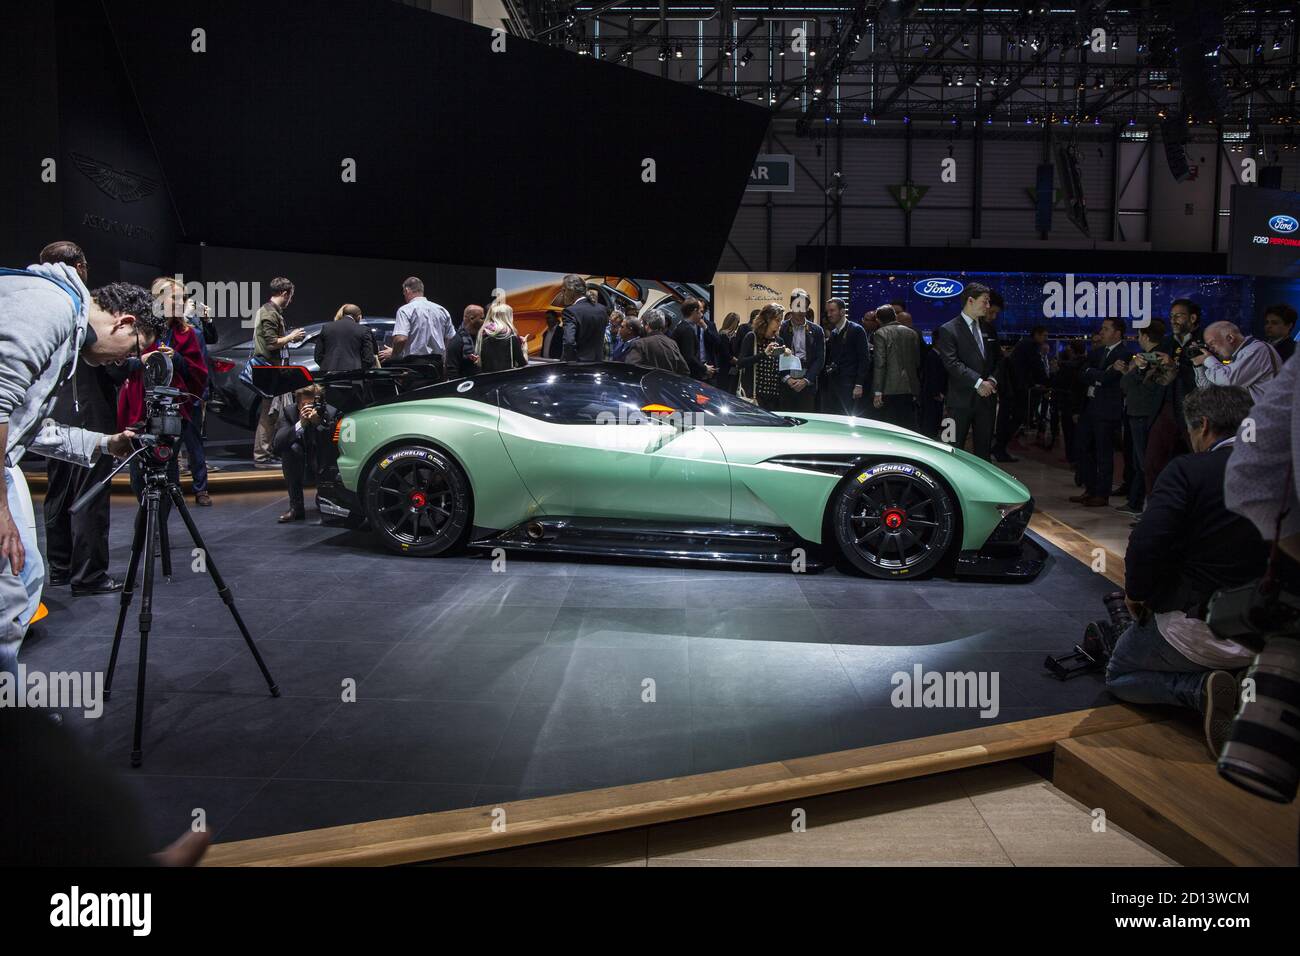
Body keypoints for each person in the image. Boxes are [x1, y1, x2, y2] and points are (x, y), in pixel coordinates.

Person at [1, 271, 159, 666]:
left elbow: (27, 427)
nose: (123, 360)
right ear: (124, 322)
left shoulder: (66, 326)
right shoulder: (50, 307)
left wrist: (104, 443)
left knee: (27, 578)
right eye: (132, 348)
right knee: (8, 592)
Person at [1106, 385, 1267, 759]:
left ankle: (1199, 690)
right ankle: (1245, 681)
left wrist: (1137, 593)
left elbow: (1147, 542)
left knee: (1118, 676)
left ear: (1204, 425)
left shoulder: (1188, 471)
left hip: (1196, 629)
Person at [37, 243, 119, 596]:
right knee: (90, 493)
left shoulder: (39, 303)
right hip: (88, 410)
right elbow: (104, 360)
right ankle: (88, 576)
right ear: (81, 267)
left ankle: (59, 567)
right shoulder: (85, 307)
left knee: (57, 491)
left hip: (48, 411)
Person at [151, 277, 214, 508]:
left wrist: (176, 358)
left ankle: (200, 489)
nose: (182, 303)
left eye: (183, 299)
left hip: (186, 401)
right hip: (156, 404)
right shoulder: (148, 332)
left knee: (194, 445)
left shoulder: (192, 333)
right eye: (176, 298)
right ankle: (168, 498)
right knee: (166, 457)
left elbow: (199, 369)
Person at [1070, 317, 1137, 507]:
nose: (1102, 332)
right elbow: (1082, 374)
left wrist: (1095, 375)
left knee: (1103, 452)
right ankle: (1090, 489)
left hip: (1107, 410)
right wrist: (1099, 375)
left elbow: (1110, 379)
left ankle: (1102, 493)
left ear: (1117, 333)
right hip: (1089, 406)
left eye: (1106, 329)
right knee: (1083, 447)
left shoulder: (1124, 353)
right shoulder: (1097, 352)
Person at [934, 283, 1001, 459]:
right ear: (970, 300)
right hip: (959, 401)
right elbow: (951, 363)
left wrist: (992, 381)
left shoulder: (989, 329)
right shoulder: (948, 329)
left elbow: (998, 360)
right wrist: (979, 382)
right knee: (952, 449)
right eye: (985, 302)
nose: (988, 306)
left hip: (987, 399)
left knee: (983, 452)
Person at [1143, 298, 1203, 495]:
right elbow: (1155, 376)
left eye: (1178, 316)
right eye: (1171, 316)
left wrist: (1176, 367)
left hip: (1195, 411)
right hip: (1165, 408)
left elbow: (1209, 374)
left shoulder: (1205, 340)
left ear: (1192, 318)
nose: (1173, 320)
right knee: (1153, 462)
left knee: (1198, 464)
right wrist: (1146, 368)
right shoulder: (1167, 342)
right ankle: (1155, 514)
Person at [251, 277, 304, 468]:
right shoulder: (269, 313)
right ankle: (262, 457)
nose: (291, 300)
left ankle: (266, 454)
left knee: (273, 414)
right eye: (291, 296)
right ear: (285, 293)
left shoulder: (271, 312)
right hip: (268, 369)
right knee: (269, 413)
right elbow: (271, 343)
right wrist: (291, 336)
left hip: (272, 368)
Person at [1117, 319, 1167, 518]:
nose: (1138, 339)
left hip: (1144, 415)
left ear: (1145, 336)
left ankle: (1148, 508)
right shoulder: (1145, 359)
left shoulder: (1156, 359)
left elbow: (1129, 385)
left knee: (1147, 463)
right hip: (1138, 414)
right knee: (1141, 462)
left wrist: (1134, 371)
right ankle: (1138, 503)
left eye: (1139, 336)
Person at [273, 384, 337, 523]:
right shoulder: (289, 412)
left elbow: (335, 443)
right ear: (297, 404)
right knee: (289, 450)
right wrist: (300, 424)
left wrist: (318, 423)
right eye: (304, 404)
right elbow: (277, 444)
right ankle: (296, 508)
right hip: (300, 458)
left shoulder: (330, 412)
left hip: (323, 459)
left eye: (312, 404)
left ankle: (325, 499)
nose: (308, 408)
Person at [993, 325, 1050, 463]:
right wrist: (1047, 381)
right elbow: (1036, 367)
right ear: (1037, 334)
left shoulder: (1023, 345)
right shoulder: (1030, 346)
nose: (1045, 339)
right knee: (1017, 417)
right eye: (1044, 336)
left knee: (1008, 417)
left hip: (1012, 388)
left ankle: (999, 447)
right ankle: (999, 448)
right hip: (1016, 389)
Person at [381, 277, 454, 380]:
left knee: (415, 395)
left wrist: (393, 354)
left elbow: (401, 339)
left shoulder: (405, 310)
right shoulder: (442, 310)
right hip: (438, 364)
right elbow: (450, 339)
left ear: (406, 290)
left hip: (415, 365)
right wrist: (445, 363)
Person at [1193, 320, 1282, 401]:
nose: (1211, 350)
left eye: (1212, 343)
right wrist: (1198, 365)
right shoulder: (1236, 356)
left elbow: (1226, 382)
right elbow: (1210, 391)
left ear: (1230, 338)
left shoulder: (1257, 349)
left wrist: (1208, 359)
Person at [870, 304, 920, 429]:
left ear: (878, 320)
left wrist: (877, 391)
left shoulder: (880, 333)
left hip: (889, 388)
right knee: (908, 426)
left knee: (890, 426)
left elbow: (880, 364)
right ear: (894, 316)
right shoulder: (912, 333)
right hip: (910, 387)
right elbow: (917, 362)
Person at [821, 297, 870, 417]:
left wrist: (859, 385)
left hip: (850, 384)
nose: (829, 314)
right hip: (835, 384)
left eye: (832, 311)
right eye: (828, 311)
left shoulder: (856, 330)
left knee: (847, 416)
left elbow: (864, 359)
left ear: (842, 312)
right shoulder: (834, 332)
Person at [775, 298, 824, 412]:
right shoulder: (780, 328)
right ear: (791, 307)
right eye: (797, 306)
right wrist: (786, 378)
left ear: (807, 309)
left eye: (803, 307)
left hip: (807, 383)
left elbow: (820, 358)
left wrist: (806, 380)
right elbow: (775, 356)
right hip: (785, 382)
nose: (800, 311)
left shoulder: (817, 330)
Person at [736, 304, 785, 411]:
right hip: (754, 394)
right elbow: (740, 363)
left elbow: (779, 369)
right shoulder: (752, 337)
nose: (780, 324)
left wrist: (787, 357)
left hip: (774, 394)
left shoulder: (779, 340)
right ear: (767, 319)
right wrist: (764, 354)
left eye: (781, 320)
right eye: (777, 320)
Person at [316, 303, 377, 373]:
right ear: (359, 317)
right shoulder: (364, 330)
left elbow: (318, 356)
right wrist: (358, 370)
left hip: (328, 375)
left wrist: (327, 366)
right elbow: (368, 359)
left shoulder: (326, 327)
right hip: (352, 376)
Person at [560, 274, 607, 362]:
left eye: (563, 290)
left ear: (571, 290)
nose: (562, 294)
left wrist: (570, 363)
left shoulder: (570, 311)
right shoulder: (602, 309)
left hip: (577, 367)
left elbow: (569, 342)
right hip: (598, 364)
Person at [623, 310, 688, 374]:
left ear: (647, 325)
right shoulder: (672, 343)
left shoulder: (640, 344)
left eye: (643, 323)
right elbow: (684, 371)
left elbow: (629, 369)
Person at [670, 297, 718, 383]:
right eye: (700, 311)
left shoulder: (681, 326)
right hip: (686, 376)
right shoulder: (687, 330)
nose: (701, 315)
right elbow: (689, 357)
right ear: (694, 311)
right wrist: (704, 368)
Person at [476, 302, 527, 373]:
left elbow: (479, 363)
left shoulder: (482, 334)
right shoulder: (511, 337)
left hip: (487, 379)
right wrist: (524, 349)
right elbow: (523, 364)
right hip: (505, 379)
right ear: (506, 317)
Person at [444, 304, 484, 379]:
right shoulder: (457, 341)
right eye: (482, 318)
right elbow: (452, 370)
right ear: (472, 319)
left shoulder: (481, 337)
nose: (484, 321)